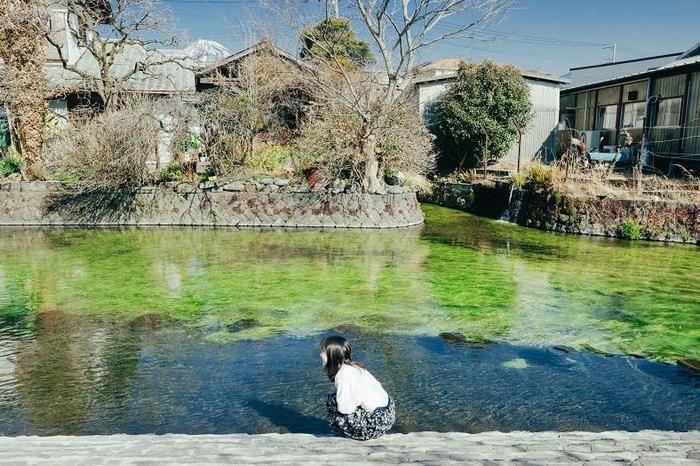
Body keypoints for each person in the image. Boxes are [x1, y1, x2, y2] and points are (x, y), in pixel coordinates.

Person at [320, 336, 395, 440]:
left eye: (323, 352)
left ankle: (344, 434)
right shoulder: (355, 367)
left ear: (333, 355)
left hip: (376, 424)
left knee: (332, 401)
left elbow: (345, 409)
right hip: (387, 415)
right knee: (339, 398)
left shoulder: (343, 375)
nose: (320, 355)